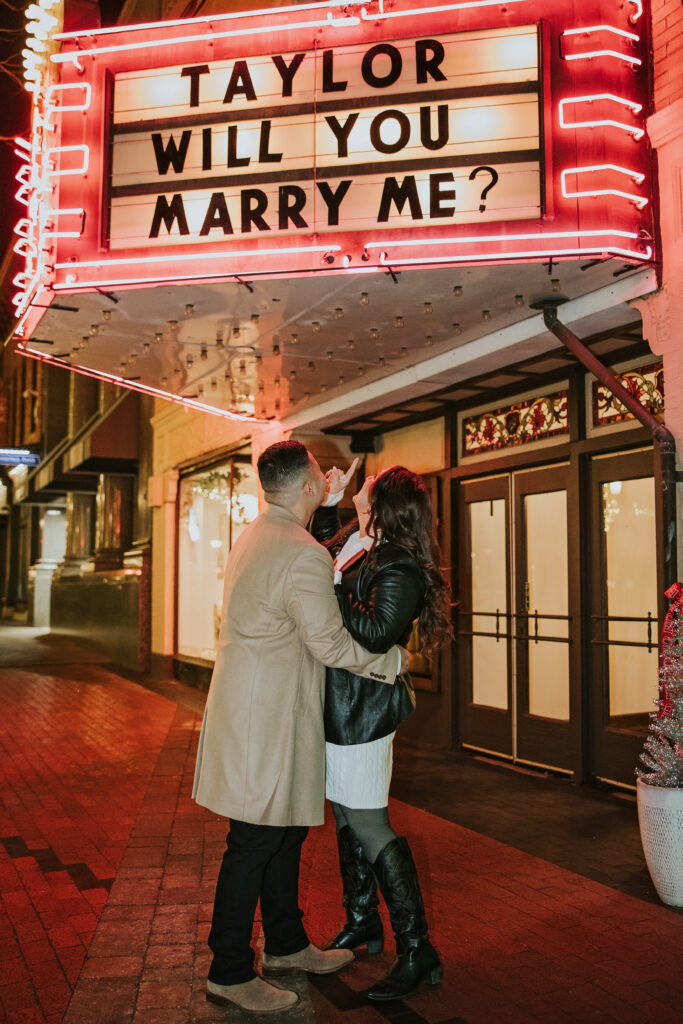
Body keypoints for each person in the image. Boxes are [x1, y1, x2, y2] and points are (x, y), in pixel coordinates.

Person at [192, 440, 406, 1014]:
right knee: (256, 841)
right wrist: (393, 663)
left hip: (254, 709)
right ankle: (229, 970)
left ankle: (285, 944)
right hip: (268, 717)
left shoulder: (260, 532)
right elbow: (331, 642)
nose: (327, 479)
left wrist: (330, 503)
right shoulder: (299, 551)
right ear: (309, 488)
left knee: (283, 833)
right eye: (320, 475)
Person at [312, 465, 452, 1002]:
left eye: (368, 491)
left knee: (370, 822)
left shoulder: (399, 565)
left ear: (388, 504)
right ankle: (363, 921)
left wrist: (328, 588)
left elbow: (372, 633)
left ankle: (418, 949)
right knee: (347, 815)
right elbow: (322, 549)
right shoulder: (364, 542)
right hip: (341, 706)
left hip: (364, 712)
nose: (361, 492)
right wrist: (331, 504)